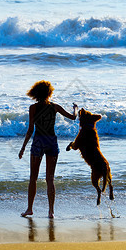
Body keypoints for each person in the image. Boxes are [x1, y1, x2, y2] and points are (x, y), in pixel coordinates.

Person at [19, 80, 78, 218]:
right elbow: (73, 117)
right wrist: (75, 107)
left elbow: (30, 130)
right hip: (51, 142)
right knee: (50, 178)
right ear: (49, 92)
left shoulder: (33, 108)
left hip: (38, 142)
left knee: (33, 178)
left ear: (35, 93)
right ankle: (51, 211)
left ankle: (29, 209)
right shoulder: (55, 107)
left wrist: (23, 148)